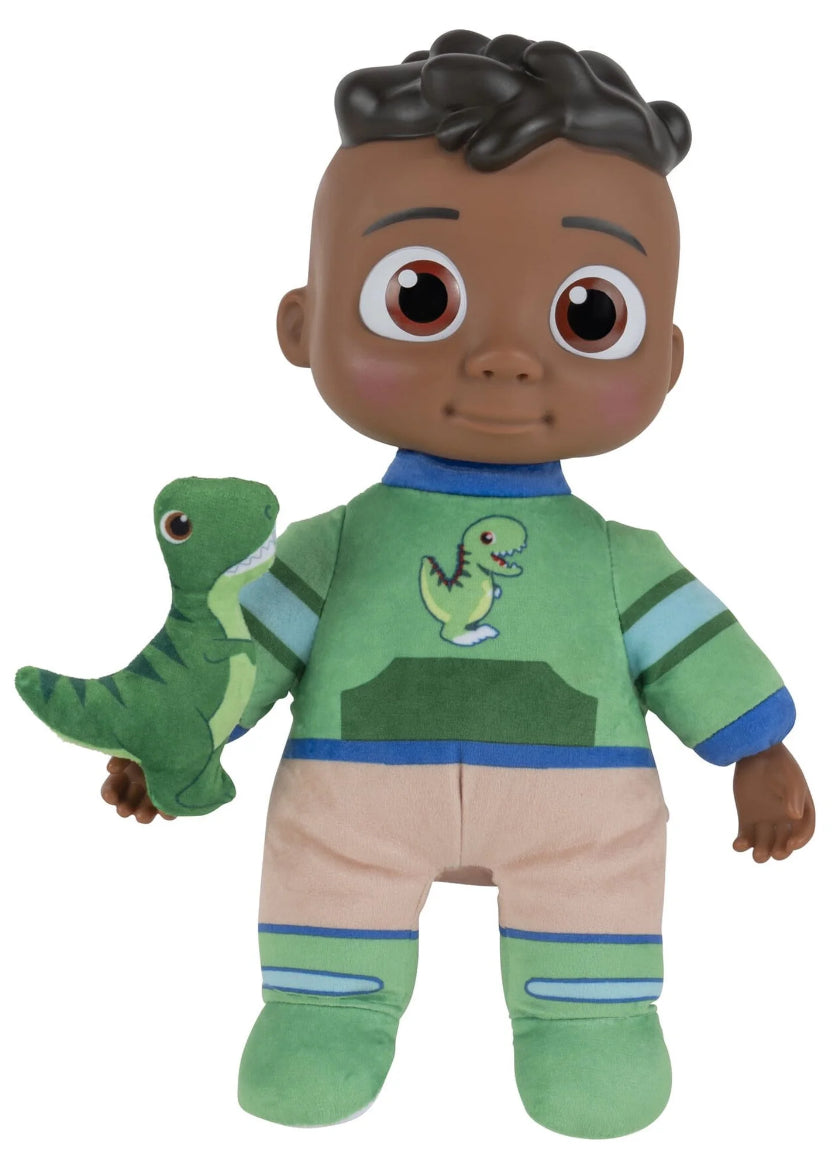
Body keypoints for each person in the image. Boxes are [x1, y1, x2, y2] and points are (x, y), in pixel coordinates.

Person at [102, 30, 815, 1138]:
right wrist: (178, 737)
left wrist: (756, 750)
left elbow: (690, 645)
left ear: (667, 360)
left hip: (576, 809)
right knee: (327, 874)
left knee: (597, 890)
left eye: (588, 315)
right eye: (422, 297)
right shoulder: (332, 547)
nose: (505, 357)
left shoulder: (617, 559)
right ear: (303, 321)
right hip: (356, 795)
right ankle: (324, 1009)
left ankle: (590, 1022)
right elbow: (246, 647)